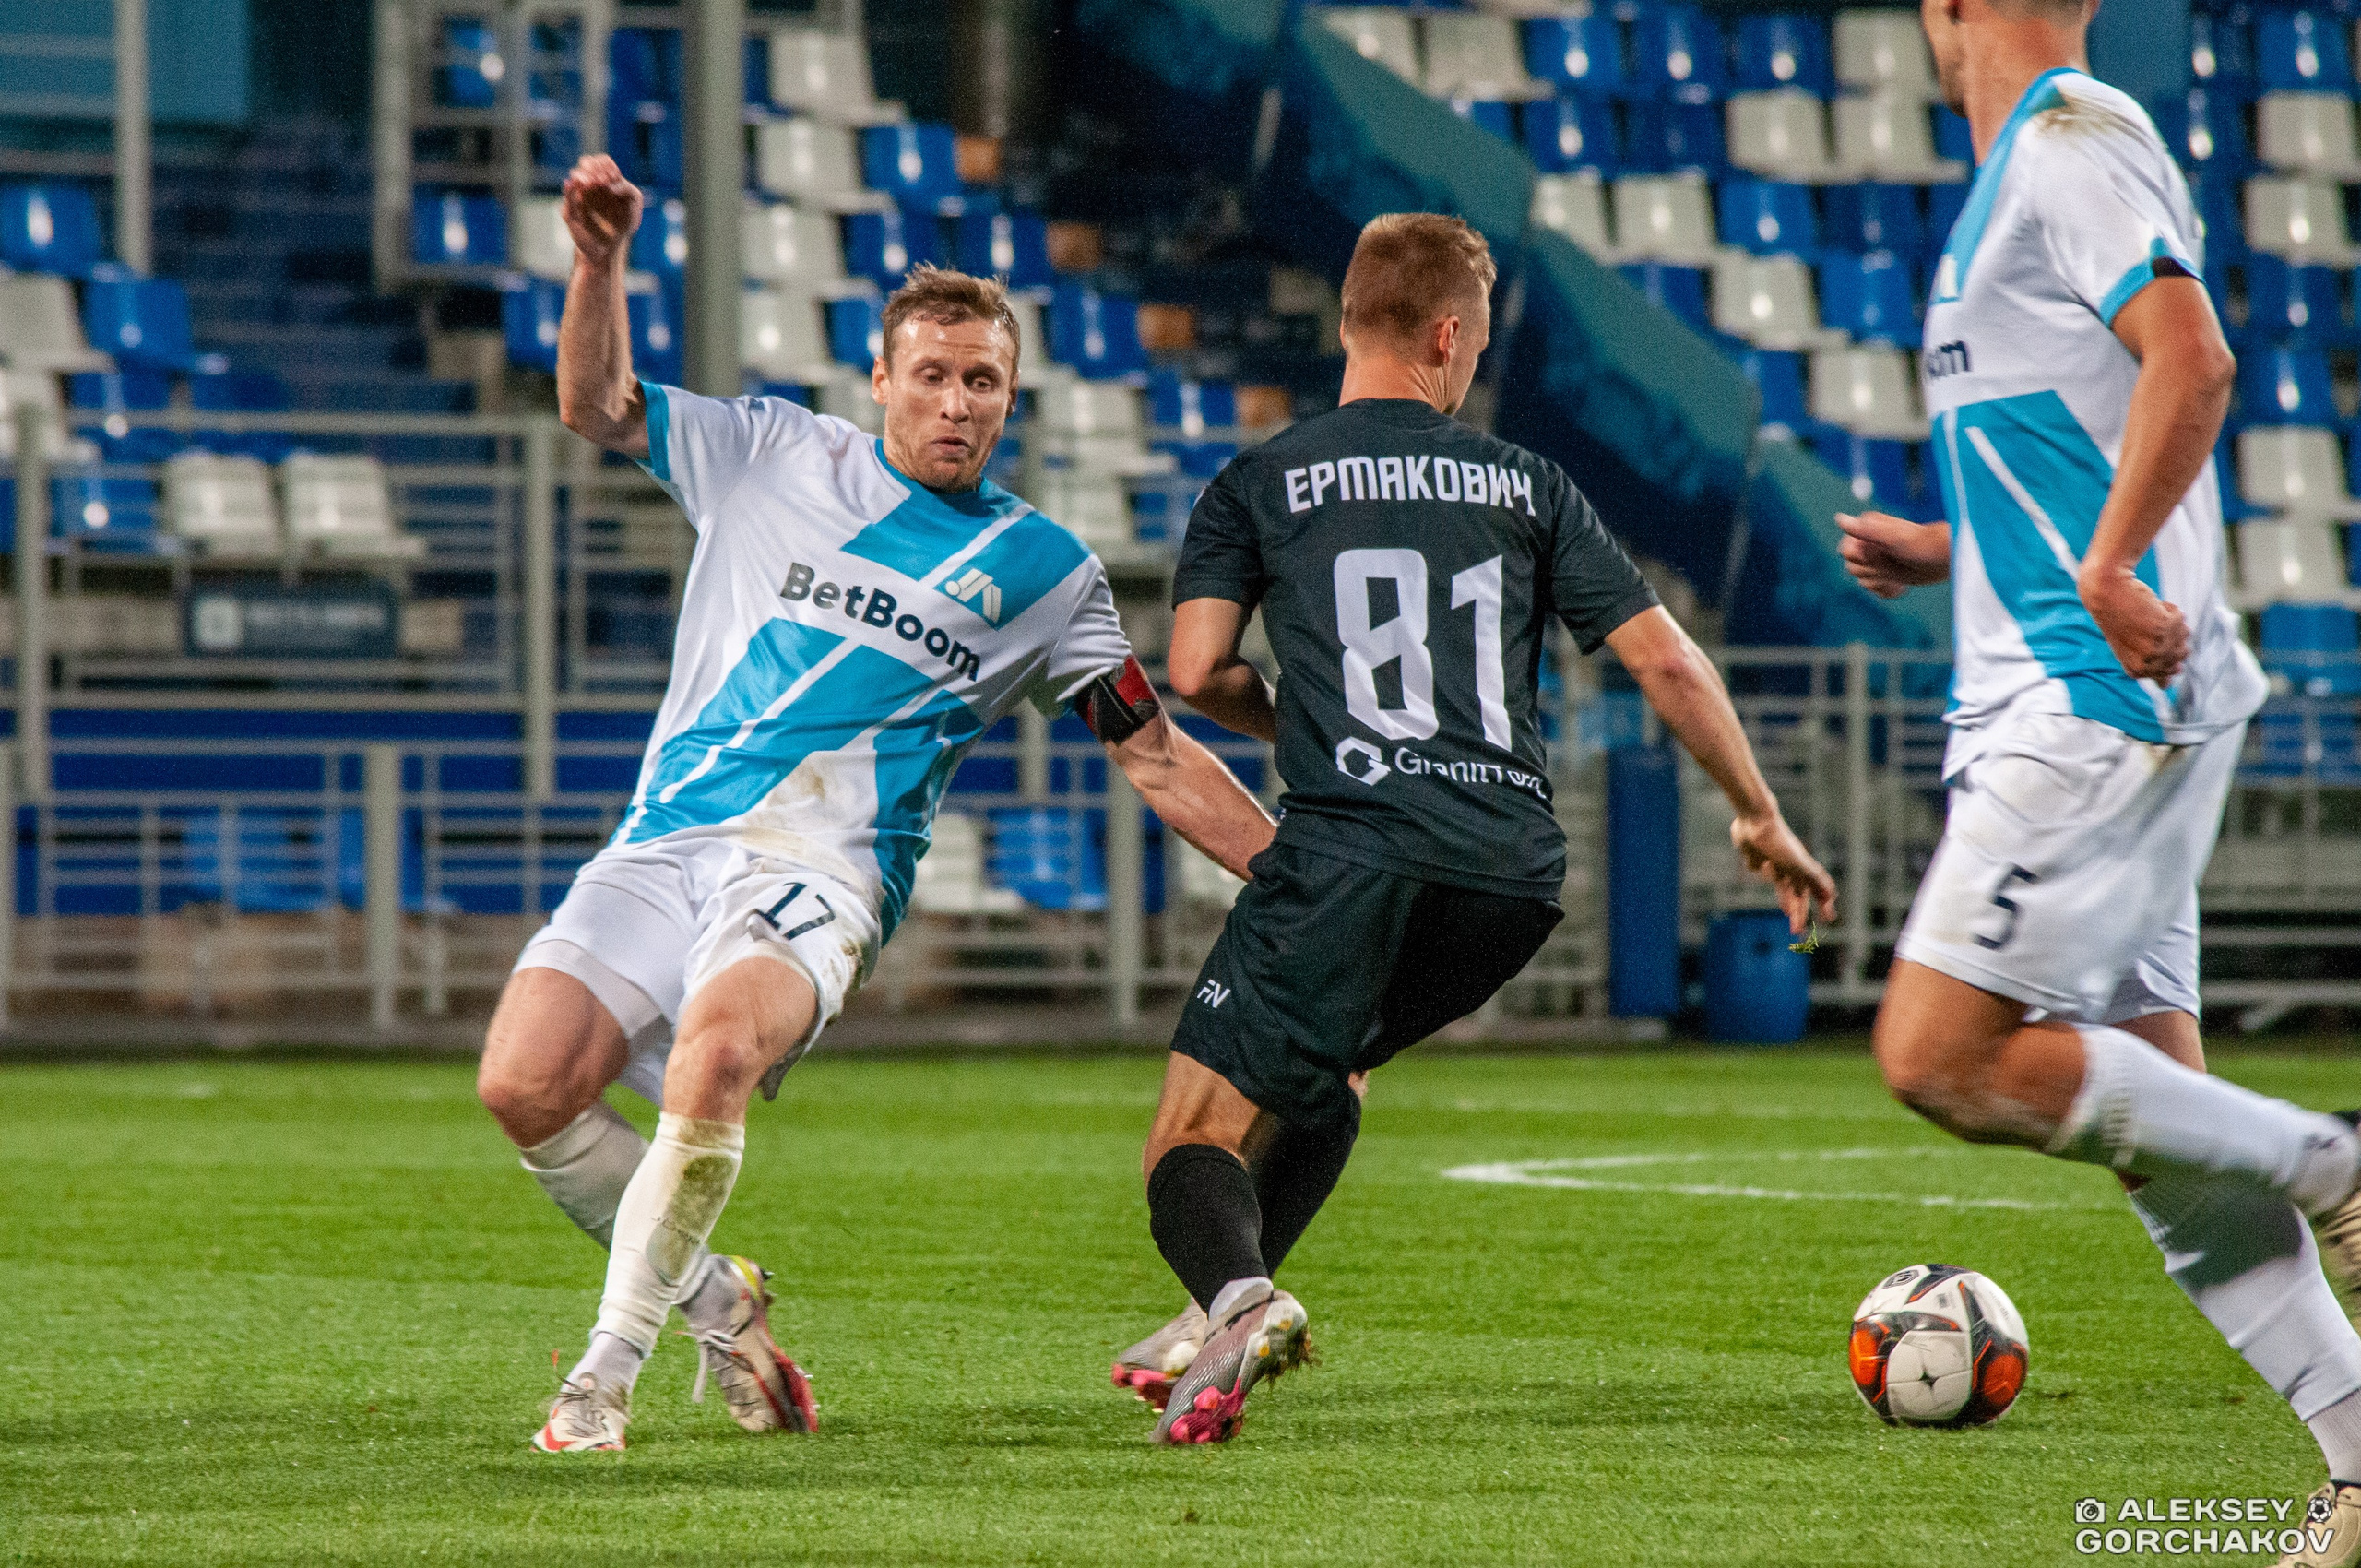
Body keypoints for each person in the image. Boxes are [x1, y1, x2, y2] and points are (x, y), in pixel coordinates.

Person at [476, 154, 1278, 1454]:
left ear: (1010, 398)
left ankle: (600, 1376)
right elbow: (595, 402)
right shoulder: (768, 451)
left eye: (984, 383)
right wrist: (599, 259)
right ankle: (718, 1294)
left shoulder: (1045, 573)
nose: (958, 405)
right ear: (882, 381)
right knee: (523, 1084)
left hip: (824, 872)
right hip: (670, 833)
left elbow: (1156, 754)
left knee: (717, 1052)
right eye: (934, 376)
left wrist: (1297, 871)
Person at [1114, 211, 1839, 1444]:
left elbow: (1192, 669)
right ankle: (1213, 1325)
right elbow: (1665, 665)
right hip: (1512, 879)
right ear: (1450, 336)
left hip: (1350, 847)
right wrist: (1758, 813)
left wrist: (1298, 719)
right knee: (1328, 1075)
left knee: (1188, 1134)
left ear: (1352, 324)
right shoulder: (1529, 484)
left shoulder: (1259, 480)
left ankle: (1235, 1298)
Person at [1835, 5, 2361, 1561]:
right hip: (2094, 698)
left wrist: (2116, 562)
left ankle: (2335, 1158)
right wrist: (1956, 548)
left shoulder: (2069, 139)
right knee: (2162, 1136)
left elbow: (2191, 359)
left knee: (1935, 1056)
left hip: (2080, 711)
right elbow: (2077, 423)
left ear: (1949, 11)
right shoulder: (2023, 168)